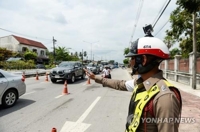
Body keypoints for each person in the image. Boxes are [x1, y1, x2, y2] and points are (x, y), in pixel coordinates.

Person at [84, 35, 182, 132]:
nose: (130, 62)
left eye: (132, 59)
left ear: (143, 60)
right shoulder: (141, 84)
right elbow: (119, 84)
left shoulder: (164, 97)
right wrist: (96, 78)